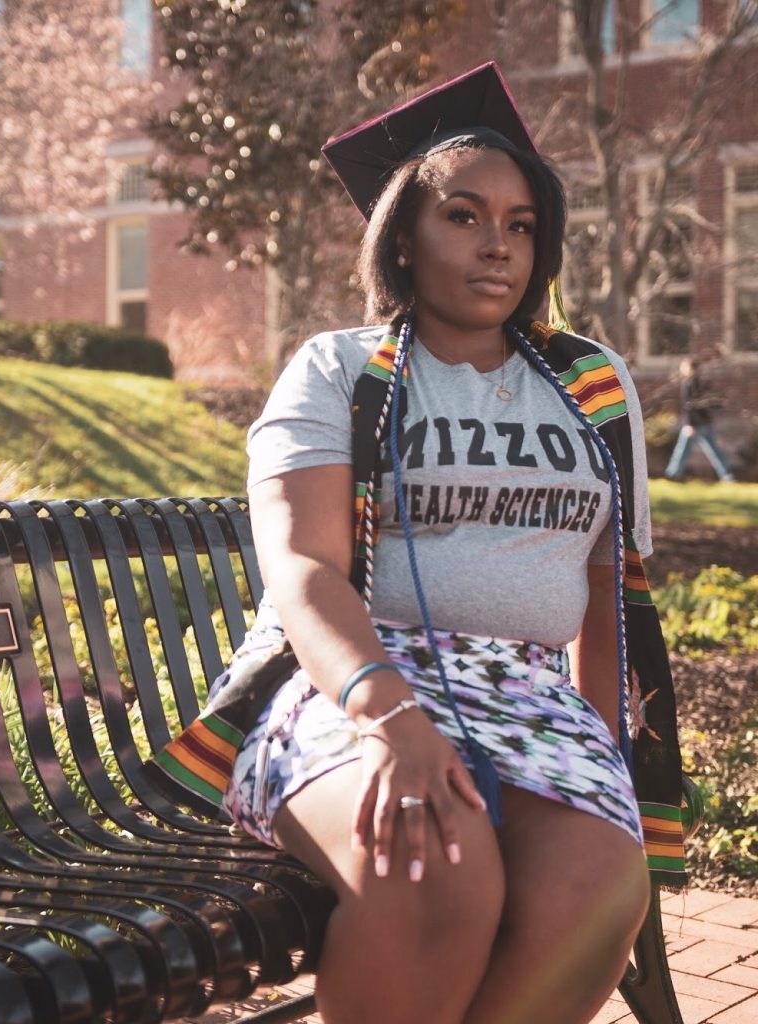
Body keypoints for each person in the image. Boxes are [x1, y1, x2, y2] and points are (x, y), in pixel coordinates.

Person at [149, 63, 687, 1024]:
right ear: (402, 231)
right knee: (433, 866)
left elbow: (608, 584)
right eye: (465, 216)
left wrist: (603, 756)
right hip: (349, 685)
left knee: (600, 885)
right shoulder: (339, 370)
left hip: (525, 695)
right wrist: (388, 715)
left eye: (521, 225)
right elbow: (304, 568)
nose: (499, 247)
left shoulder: (593, 387)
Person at [665, 354, 734, 482]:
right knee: (714, 451)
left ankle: (673, 474)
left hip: (695, 424)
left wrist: (689, 424)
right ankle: (726, 475)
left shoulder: (689, 384)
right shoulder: (702, 383)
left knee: (683, 451)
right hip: (704, 423)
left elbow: (688, 405)